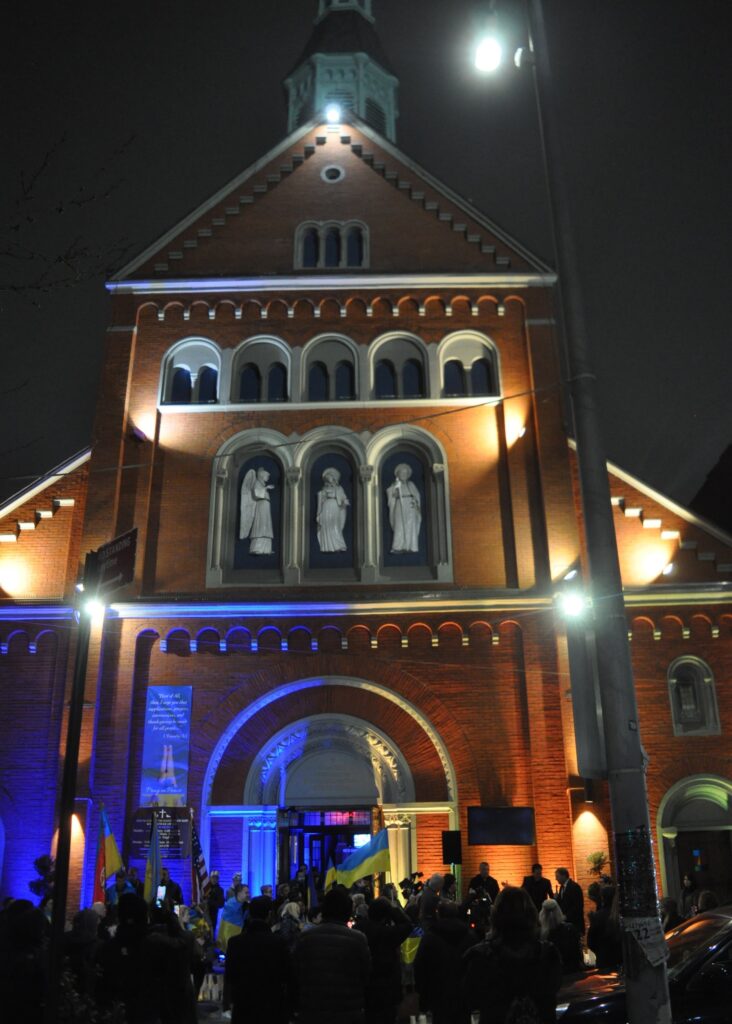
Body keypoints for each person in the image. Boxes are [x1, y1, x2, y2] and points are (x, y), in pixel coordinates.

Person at [463, 886, 562, 1024]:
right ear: (531, 914)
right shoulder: (548, 953)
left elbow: (471, 999)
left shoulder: (480, 956)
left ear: (496, 915)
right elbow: (554, 991)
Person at [293, 886, 371, 1024]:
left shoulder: (305, 937)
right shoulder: (358, 938)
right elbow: (366, 974)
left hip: (312, 1009)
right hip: (348, 1009)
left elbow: (295, 973)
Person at [225, 896, 291, 1024]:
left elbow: (230, 976)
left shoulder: (235, 942)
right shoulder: (278, 942)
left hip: (244, 1006)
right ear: (269, 914)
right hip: (272, 1006)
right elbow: (287, 975)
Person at [414, 900, 479, 1024]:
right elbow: (476, 967)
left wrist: (422, 992)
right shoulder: (470, 936)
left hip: (438, 992)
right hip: (463, 993)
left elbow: (420, 966)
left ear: (439, 914)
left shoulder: (430, 937)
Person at [356, 896, 413, 1024]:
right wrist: (393, 910)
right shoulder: (387, 933)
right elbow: (407, 925)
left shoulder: (359, 929)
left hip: (365, 986)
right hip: (387, 987)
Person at [538, 898, 583, 975]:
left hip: (551, 974)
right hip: (571, 970)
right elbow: (577, 951)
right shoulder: (570, 929)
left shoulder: (540, 934)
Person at [386, 463, 421, 553]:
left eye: (406, 473)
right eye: (402, 473)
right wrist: (394, 491)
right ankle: (398, 546)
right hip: (399, 505)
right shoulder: (396, 484)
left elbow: (417, 495)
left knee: (411, 525)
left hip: (410, 506)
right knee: (399, 525)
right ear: (398, 474)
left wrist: (415, 501)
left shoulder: (411, 484)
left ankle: (411, 546)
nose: (404, 475)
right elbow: (390, 492)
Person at [240, 466, 275, 554]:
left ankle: (266, 549)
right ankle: (257, 548)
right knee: (260, 524)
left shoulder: (262, 484)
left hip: (266, 505)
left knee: (266, 524)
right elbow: (256, 494)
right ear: (262, 475)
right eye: (266, 476)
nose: (267, 478)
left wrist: (265, 487)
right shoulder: (256, 483)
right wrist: (266, 488)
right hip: (261, 505)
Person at [586, 885, 622, 972]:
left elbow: (591, 942)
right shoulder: (622, 914)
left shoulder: (598, 916)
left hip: (604, 959)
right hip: (622, 959)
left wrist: (600, 951)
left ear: (602, 898)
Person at [317, 466, 350, 552]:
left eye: (330, 477)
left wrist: (344, 502)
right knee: (326, 525)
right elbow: (321, 500)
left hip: (335, 507)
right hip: (326, 507)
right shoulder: (324, 489)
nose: (328, 479)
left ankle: (338, 545)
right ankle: (327, 546)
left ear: (334, 478)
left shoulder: (339, 488)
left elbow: (343, 498)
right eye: (327, 478)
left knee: (335, 526)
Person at [554, 867, 585, 935]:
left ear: (564, 875)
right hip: (566, 924)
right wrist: (556, 899)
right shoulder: (562, 887)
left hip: (575, 923)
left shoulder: (574, 887)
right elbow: (563, 903)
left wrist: (566, 916)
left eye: (557, 876)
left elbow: (578, 906)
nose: (556, 879)